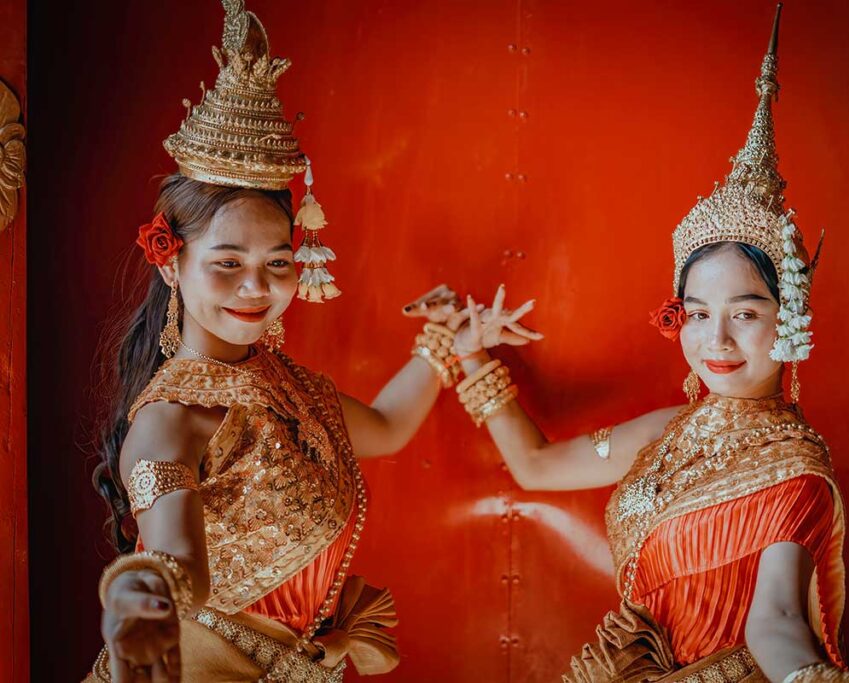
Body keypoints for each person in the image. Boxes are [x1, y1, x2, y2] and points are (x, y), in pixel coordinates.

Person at [85, 2, 536, 681]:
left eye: (277, 263)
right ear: (170, 260)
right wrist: (144, 598)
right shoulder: (169, 418)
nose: (255, 289)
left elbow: (383, 426)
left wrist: (449, 339)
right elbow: (178, 563)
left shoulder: (283, 384)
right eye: (227, 263)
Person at [449, 6, 849, 682]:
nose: (715, 339)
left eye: (745, 312)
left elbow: (777, 621)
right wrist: (468, 355)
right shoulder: (666, 433)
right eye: (696, 313)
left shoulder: (796, 472)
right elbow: (538, 467)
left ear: (788, 319)